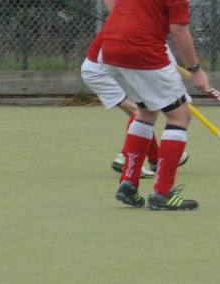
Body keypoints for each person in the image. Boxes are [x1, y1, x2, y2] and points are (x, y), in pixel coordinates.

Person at [97, 0, 209, 211]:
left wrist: (123, 19)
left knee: (147, 111)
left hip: (113, 47)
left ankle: (129, 184)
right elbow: (179, 28)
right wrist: (196, 70)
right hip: (142, 48)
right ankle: (162, 192)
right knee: (179, 116)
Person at [80, 35, 189, 178]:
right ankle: (125, 157)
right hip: (102, 71)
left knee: (146, 111)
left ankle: (155, 159)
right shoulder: (146, 26)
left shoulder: (132, 19)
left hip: (101, 68)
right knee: (139, 112)